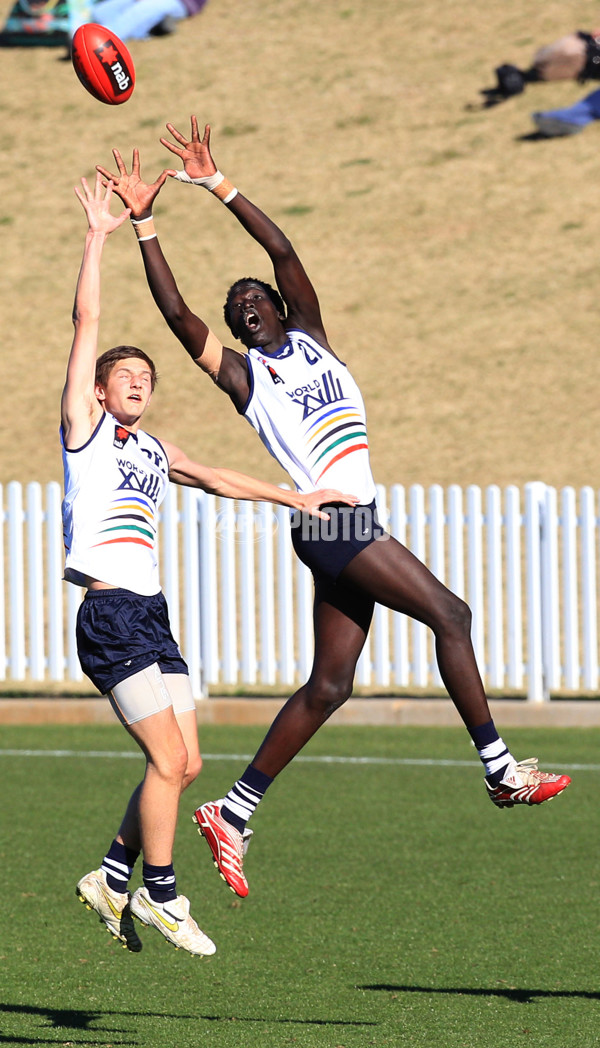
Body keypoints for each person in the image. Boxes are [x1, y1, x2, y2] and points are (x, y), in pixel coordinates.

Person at [96, 118, 571, 901]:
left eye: (254, 296)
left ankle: (233, 811)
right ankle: (499, 771)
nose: (243, 305)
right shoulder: (248, 380)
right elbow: (181, 317)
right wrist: (145, 221)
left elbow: (282, 251)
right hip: (333, 522)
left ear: (280, 305)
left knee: (330, 685)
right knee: (452, 614)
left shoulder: (314, 337)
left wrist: (219, 184)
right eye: (235, 303)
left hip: (354, 520)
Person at [65, 171, 358, 950]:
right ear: (95, 391)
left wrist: (293, 499)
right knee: (167, 759)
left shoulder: (155, 449)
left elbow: (219, 478)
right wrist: (101, 236)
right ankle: (160, 896)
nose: (138, 382)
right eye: (124, 376)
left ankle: (110, 874)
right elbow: (88, 319)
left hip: (150, 616)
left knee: (188, 764)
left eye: (145, 377)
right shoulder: (83, 432)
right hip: (108, 611)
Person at [89, 0, 207, 41]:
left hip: (183, 2)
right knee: (100, 13)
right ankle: (154, 28)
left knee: (135, 14)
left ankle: (96, 46)